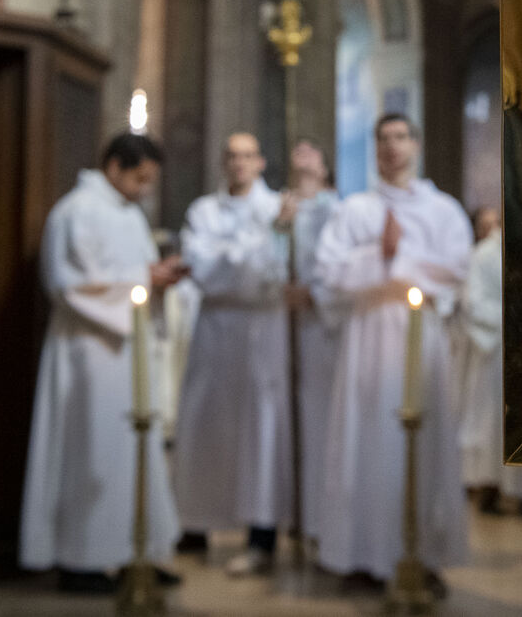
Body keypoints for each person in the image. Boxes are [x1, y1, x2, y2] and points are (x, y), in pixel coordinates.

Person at [19, 132, 186, 592]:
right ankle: (83, 560)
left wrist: (159, 280)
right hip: (90, 352)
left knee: (136, 450)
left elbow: (136, 279)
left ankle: (138, 551)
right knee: (92, 453)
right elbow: (68, 283)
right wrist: (143, 278)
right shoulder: (76, 211)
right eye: (140, 178)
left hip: (130, 351)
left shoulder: (129, 214)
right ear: (114, 166)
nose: (144, 190)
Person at [313, 114, 473, 589]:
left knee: (422, 442)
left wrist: (396, 259)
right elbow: (328, 269)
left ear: (416, 145)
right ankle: (362, 555)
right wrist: (379, 257)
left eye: (401, 137)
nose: (392, 146)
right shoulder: (356, 209)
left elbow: (455, 267)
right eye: (383, 139)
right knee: (364, 441)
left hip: (421, 337)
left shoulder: (442, 209)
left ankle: (422, 556)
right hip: (367, 336)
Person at [171, 132, 292, 576]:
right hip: (215, 329)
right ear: (223, 162)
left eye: (247, 156)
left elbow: (276, 270)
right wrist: (255, 251)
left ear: (260, 162)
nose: (239, 163)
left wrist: (239, 257)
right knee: (206, 425)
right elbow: (202, 268)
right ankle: (195, 523)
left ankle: (261, 533)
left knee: (260, 428)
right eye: (232, 156)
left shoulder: (278, 207)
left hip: (262, 331)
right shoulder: (204, 210)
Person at [458, 206, 522, 516]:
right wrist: (512, 324)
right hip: (498, 354)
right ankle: (490, 487)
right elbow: (473, 303)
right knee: (493, 422)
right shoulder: (484, 255)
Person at [279, 139, 341, 543]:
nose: (303, 153)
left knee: (319, 420)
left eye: (311, 150)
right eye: (296, 149)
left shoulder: (337, 209)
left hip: (321, 328)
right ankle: (289, 514)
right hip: (278, 326)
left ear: (324, 168)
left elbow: (344, 262)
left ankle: (321, 518)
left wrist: (316, 294)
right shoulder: (279, 206)